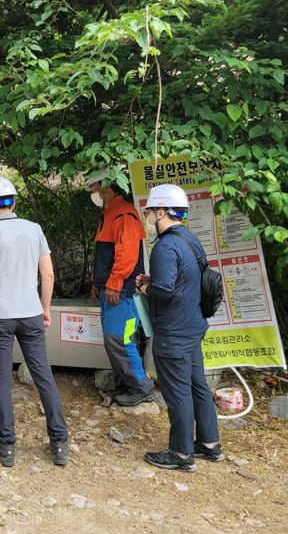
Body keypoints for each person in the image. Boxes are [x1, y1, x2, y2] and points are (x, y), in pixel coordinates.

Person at [0, 176, 69, 467]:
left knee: (1, 379)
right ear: (13, 201)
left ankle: (6, 444)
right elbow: (48, 274)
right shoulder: (34, 229)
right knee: (43, 375)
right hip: (31, 314)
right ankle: (59, 443)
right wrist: (45, 308)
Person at [135, 184, 223, 472]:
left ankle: (181, 452)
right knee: (198, 384)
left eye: (149, 212)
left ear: (161, 212)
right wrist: (156, 280)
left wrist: (147, 287)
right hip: (193, 325)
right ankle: (209, 444)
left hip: (174, 331)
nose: (148, 217)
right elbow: (185, 278)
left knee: (178, 391)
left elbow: (166, 291)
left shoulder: (165, 245)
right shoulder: (189, 238)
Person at [87, 169, 155, 406]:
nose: (93, 193)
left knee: (120, 339)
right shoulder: (109, 214)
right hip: (111, 291)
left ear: (106, 188)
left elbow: (126, 256)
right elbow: (105, 255)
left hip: (123, 293)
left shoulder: (123, 214)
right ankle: (127, 383)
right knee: (112, 339)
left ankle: (142, 386)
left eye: (94, 188)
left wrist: (114, 285)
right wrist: (98, 283)